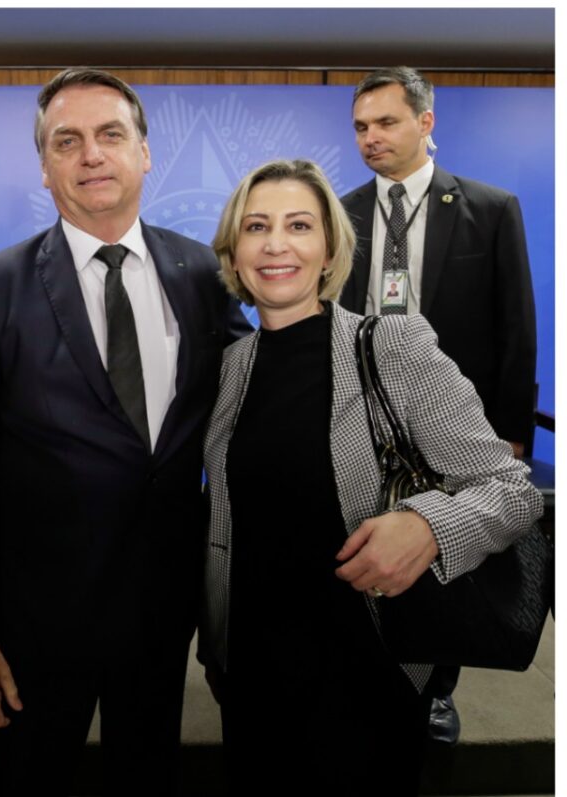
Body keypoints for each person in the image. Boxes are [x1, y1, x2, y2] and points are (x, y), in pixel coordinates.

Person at [0, 67, 249, 795]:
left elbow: (255, 400)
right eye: (66, 141)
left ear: (145, 152)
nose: (91, 155)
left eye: (111, 134)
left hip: (164, 610)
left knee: (149, 778)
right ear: (44, 167)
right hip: (35, 624)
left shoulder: (202, 272)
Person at [201, 158, 542, 795]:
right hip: (251, 675)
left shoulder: (393, 346)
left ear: (330, 249)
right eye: (256, 227)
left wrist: (428, 527)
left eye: (299, 225)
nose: (276, 244)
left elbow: (511, 490)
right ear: (234, 253)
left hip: (367, 675)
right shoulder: (228, 368)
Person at [338, 65, 537, 742]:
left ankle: (436, 691)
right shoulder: (340, 211)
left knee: (446, 548)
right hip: (361, 414)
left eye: (386, 122)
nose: (370, 137)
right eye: (360, 126)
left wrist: (510, 432)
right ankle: (364, 675)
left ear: (425, 122)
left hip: (453, 419)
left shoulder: (490, 207)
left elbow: (516, 326)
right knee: (368, 543)